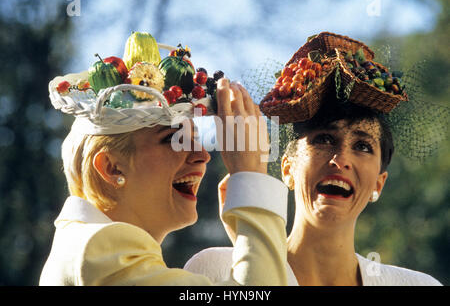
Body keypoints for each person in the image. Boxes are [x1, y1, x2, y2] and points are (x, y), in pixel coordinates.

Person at [39, 78, 289, 286]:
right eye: (174, 139)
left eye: (195, 138)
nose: (203, 156)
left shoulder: (86, 250)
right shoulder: (98, 249)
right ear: (111, 167)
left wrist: (251, 236)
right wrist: (251, 179)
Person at [184, 99, 443, 286]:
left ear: (378, 184)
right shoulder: (214, 269)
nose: (341, 160)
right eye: (324, 139)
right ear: (287, 168)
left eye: (363, 146)